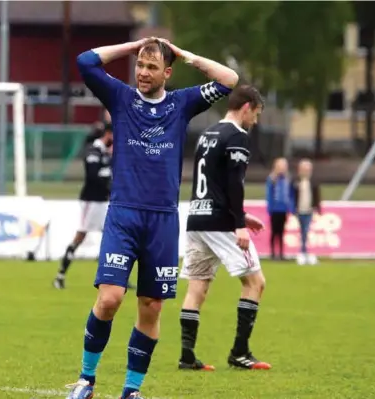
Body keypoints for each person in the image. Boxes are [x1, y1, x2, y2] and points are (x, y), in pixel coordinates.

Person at [66, 37, 238, 399]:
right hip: (124, 214)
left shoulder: (181, 103)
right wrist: (134, 46)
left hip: (162, 219)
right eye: (140, 66)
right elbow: (85, 62)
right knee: (110, 298)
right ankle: (86, 380)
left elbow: (229, 79)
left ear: (167, 72)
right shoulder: (121, 97)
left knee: (151, 306)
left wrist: (188, 54)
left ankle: (131, 390)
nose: (143, 74)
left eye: (151, 67)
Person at [178, 85, 271, 372]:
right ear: (246, 107)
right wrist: (239, 224)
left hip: (197, 217)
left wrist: (241, 214)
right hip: (220, 223)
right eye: (255, 113)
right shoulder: (237, 137)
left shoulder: (209, 133)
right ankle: (240, 353)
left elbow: (212, 182)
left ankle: (187, 356)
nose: (254, 120)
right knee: (255, 283)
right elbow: (233, 184)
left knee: (198, 286)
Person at [54, 123, 113, 290]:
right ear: (108, 134)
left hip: (104, 201)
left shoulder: (107, 153)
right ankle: (60, 275)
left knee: (113, 237)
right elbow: (93, 175)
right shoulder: (93, 151)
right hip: (91, 200)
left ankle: (115, 279)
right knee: (80, 236)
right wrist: (108, 178)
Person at [292, 159, 321, 265]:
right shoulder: (296, 181)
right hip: (299, 210)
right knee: (302, 231)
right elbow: (292, 196)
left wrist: (318, 208)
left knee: (305, 231)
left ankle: (304, 251)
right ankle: (303, 252)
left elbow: (317, 195)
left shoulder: (313, 181)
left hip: (309, 210)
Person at [265, 158, 293, 260]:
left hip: (283, 209)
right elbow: (269, 194)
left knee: (281, 232)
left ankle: (281, 253)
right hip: (274, 210)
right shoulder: (272, 179)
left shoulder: (287, 179)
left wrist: (290, 207)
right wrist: (270, 208)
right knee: (274, 231)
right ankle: (272, 253)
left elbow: (290, 194)